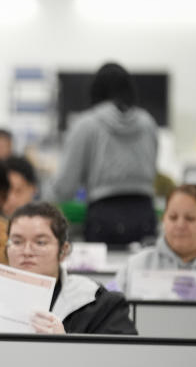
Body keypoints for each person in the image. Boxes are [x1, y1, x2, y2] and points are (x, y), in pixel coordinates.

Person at [0, 202, 136, 334]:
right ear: (7, 249)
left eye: (40, 242)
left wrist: (70, 346)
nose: (27, 251)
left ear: (63, 250)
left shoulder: (100, 306)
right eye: (17, 241)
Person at [49, 62, 158, 244]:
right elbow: (153, 170)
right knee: (143, 271)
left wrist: (47, 199)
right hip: (145, 213)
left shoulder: (86, 124)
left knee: (102, 272)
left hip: (103, 215)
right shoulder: (148, 123)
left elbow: (65, 187)